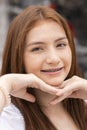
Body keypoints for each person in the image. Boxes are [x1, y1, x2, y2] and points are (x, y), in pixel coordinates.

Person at [0, 5, 87, 130]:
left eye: (61, 45)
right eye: (37, 48)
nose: (54, 59)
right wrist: (6, 84)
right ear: (18, 56)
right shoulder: (9, 118)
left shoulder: (82, 106)